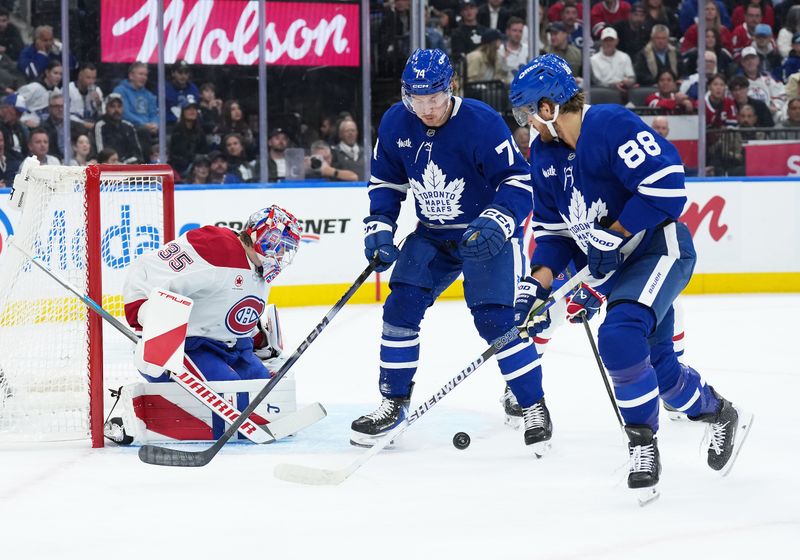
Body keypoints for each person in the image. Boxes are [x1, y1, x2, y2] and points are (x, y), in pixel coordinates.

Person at [509, 54, 753, 502]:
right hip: (616, 269)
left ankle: (642, 446)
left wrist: (616, 233)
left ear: (547, 107)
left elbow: (667, 188)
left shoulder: (610, 125)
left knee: (618, 337)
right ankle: (720, 413)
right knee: (662, 374)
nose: (526, 123)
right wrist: (536, 284)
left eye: (527, 112)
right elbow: (553, 233)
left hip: (659, 249)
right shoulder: (544, 155)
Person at [350, 49, 551, 456]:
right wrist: (380, 226)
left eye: (435, 99)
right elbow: (387, 183)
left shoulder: (482, 122)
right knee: (400, 307)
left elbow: (518, 181)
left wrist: (497, 220)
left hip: (486, 235)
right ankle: (394, 402)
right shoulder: (394, 122)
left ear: (451, 87)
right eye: (417, 100)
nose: (426, 109)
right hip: (433, 235)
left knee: (497, 320)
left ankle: (532, 404)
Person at [122, 206, 301, 384]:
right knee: (231, 391)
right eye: (282, 246)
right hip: (185, 347)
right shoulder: (216, 246)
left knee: (265, 387)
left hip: (232, 349)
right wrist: (141, 311)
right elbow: (146, 266)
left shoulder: (261, 270)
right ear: (266, 238)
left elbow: (228, 312)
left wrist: (260, 341)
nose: (283, 253)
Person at [113, 61, 158, 154]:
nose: (144, 78)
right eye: (141, 74)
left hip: (148, 129)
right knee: (143, 131)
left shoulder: (149, 94)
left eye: (145, 75)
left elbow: (154, 113)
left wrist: (155, 124)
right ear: (131, 76)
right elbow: (124, 113)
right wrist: (144, 124)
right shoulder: (120, 91)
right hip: (129, 128)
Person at [94, 93, 144, 164]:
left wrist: (124, 164)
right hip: (108, 166)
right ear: (106, 108)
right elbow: (100, 154)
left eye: (119, 106)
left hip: (127, 166)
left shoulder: (129, 127)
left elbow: (137, 154)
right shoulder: (100, 126)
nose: (116, 110)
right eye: (112, 106)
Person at [590, 27, 637, 101]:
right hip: (603, 95)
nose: (608, 43)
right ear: (601, 42)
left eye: (611, 40)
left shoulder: (625, 57)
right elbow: (597, 82)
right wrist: (613, 85)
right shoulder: (593, 59)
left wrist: (628, 82)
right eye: (606, 40)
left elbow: (631, 77)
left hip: (624, 94)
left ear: (617, 41)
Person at [167, 96, 208, 177]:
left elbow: (204, 151)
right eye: (188, 108)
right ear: (183, 112)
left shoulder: (200, 131)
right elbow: (178, 155)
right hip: (181, 168)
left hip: (197, 165)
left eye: (194, 109)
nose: (192, 111)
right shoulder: (177, 131)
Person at [69, 62, 104, 132]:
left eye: (94, 78)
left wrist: (98, 104)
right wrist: (83, 124)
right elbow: (65, 114)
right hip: (74, 125)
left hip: (92, 125)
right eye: (88, 78)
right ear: (80, 76)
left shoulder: (97, 90)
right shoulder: (69, 89)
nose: (91, 81)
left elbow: (102, 114)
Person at [165, 60, 201, 125]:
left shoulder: (193, 88)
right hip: (171, 125)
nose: (183, 76)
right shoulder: (165, 89)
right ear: (173, 73)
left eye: (186, 73)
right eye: (180, 72)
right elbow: (162, 113)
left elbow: (197, 109)